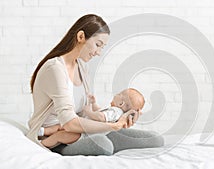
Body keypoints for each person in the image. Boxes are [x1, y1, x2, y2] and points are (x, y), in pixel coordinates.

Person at [26, 14, 164, 156]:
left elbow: (85, 112)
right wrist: (113, 126)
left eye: (102, 47)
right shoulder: (55, 68)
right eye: (97, 45)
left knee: (154, 139)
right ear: (81, 37)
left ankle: (103, 137)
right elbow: (69, 123)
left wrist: (121, 118)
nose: (98, 52)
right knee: (103, 145)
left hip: (82, 131)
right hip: (58, 138)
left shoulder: (82, 67)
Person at [39, 88, 145, 148]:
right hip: (82, 129)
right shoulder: (113, 112)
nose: (116, 94)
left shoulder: (116, 112)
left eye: (119, 94)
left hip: (82, 134)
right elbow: (99, 111)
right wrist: (94, 104)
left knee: (61, 134)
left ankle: (42, 145)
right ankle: (43, 132)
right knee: (61, 127)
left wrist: (88, 111)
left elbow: (100, 117)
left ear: (121, 103)